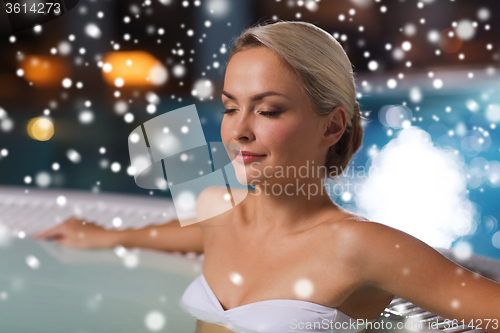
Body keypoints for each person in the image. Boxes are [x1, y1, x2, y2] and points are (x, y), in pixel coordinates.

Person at [36, 20, 500, 333]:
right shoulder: (217, 207)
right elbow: (193, 234)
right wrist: (104, 237)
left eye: (268, 109)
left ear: (332, 126)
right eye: (230, 107)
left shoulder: (361, 248)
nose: (238, 130)